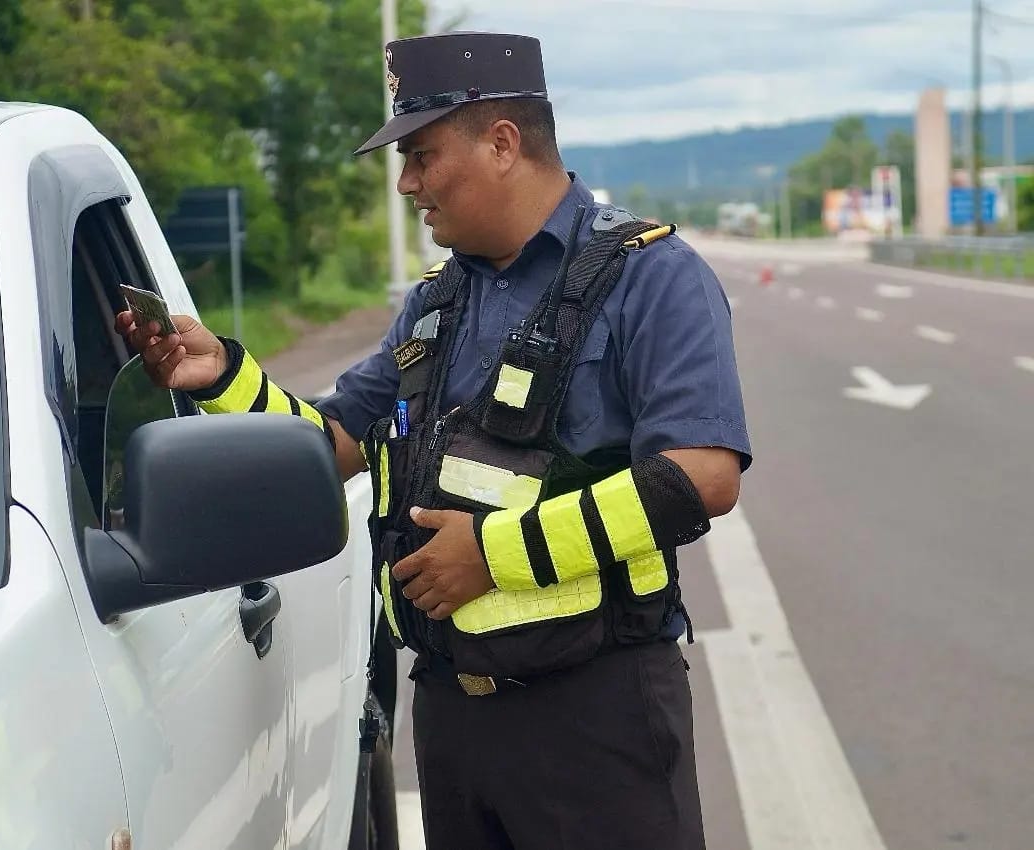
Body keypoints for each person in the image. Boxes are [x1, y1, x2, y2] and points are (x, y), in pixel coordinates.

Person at [116, 30, 751, 850]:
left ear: (501, 142)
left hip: (599, 713)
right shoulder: (436, 302)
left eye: (421, 155)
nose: (408, 183)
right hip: (453, 716)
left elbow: (699, 476)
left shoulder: (652, 277)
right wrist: (224, 374)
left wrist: (494, 555)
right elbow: (335, 439)